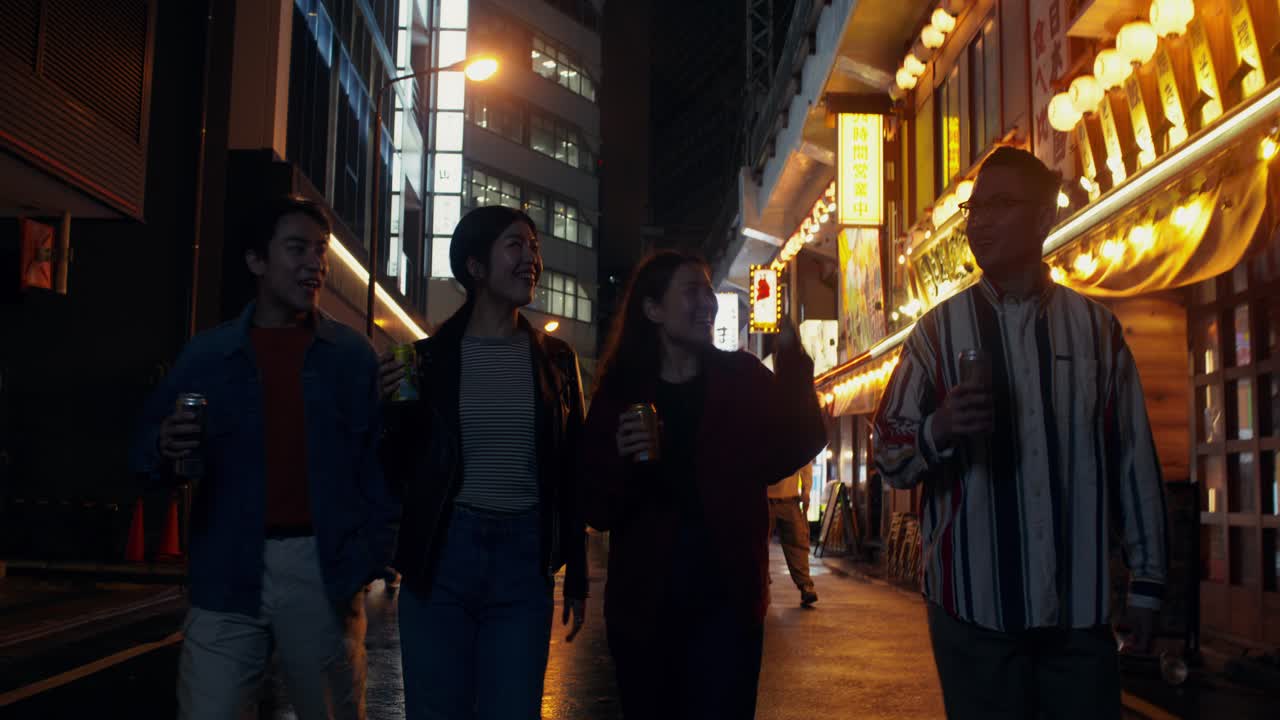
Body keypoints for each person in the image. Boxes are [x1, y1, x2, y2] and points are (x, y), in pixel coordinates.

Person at [873, 147, 1168, 720]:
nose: (979, 222)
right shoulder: (936, 334)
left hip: (1079, 615)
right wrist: (940, 426)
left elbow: (1133, 459)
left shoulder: (1096, 331)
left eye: (1000, 205)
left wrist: (1149, 582)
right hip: (972, 615)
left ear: (1044, 218)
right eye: (974, 208)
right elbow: (888, 452)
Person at [133, 195, 397, 720]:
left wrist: (369, 555)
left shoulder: (350, 356)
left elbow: (380, 464)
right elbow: (147, 446)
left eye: (320, 250)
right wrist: (163, 444)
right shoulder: (209, 354)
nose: (315, 263)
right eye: (297, 248)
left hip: (322, 565)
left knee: (329, 711)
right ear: (256, 260)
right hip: (226, 563)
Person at [580, 251, 826, 719]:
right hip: (645, 607)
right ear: (653, 309)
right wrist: (622, 459)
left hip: (728, 603)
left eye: (708, 291)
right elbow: (596, 506)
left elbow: (797, 444)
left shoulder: (741, 378)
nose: (707, 302)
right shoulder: (623, 393)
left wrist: (793, 364)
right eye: (691, 290)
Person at [378, 205, 588, 720]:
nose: (531, 258)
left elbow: (572, 471)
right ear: (475, 267)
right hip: (443, 556)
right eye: (515, 245)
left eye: (534, 247)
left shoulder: (558, 361)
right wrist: (392, 410)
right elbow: (400, 467)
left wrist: (577, 572)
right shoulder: (426, 360)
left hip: (524, 562)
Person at [767, 463, 817, 606]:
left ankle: (805, 586)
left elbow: (805, 463)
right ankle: (760, 585)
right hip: (763, 498)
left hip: (790, 498)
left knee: (798, 542)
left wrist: (806, 490)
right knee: (758, 545)